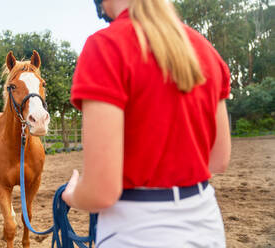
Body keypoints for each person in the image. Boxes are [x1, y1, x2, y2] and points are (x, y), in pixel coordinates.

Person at [62, 0, 231, 247]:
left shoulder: (106, 46)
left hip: (136, 230)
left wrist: (73, 195)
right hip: (205, 222)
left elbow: (101, 192)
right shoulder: (204, 49)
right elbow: (219, 160)